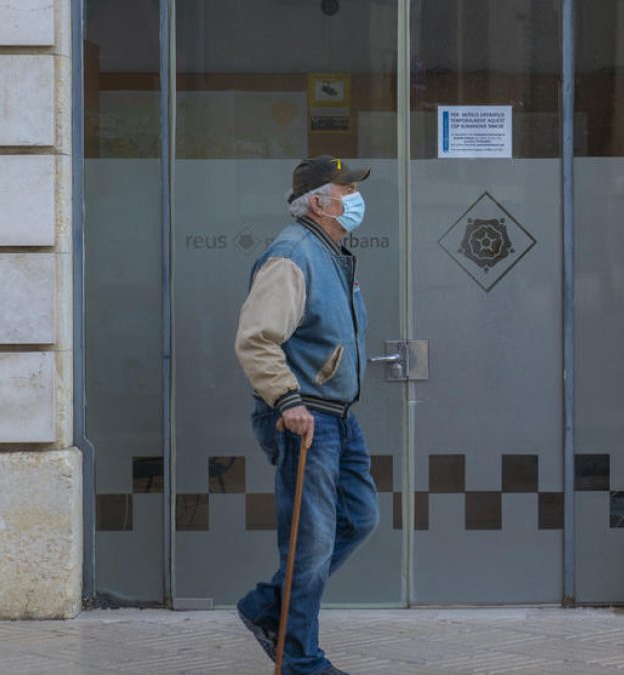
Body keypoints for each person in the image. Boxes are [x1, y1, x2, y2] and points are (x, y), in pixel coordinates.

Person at [233, 155, 379, 675]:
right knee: (311, 541)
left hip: (338, 415)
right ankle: (299, 659)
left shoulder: (333, 253)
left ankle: (269, 607)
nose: (355, 198)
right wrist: (287, 401)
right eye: (346, 190)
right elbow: (257, 340)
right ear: (319, 202)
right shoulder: (293, 254)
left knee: (360, 518)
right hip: (306, 416)